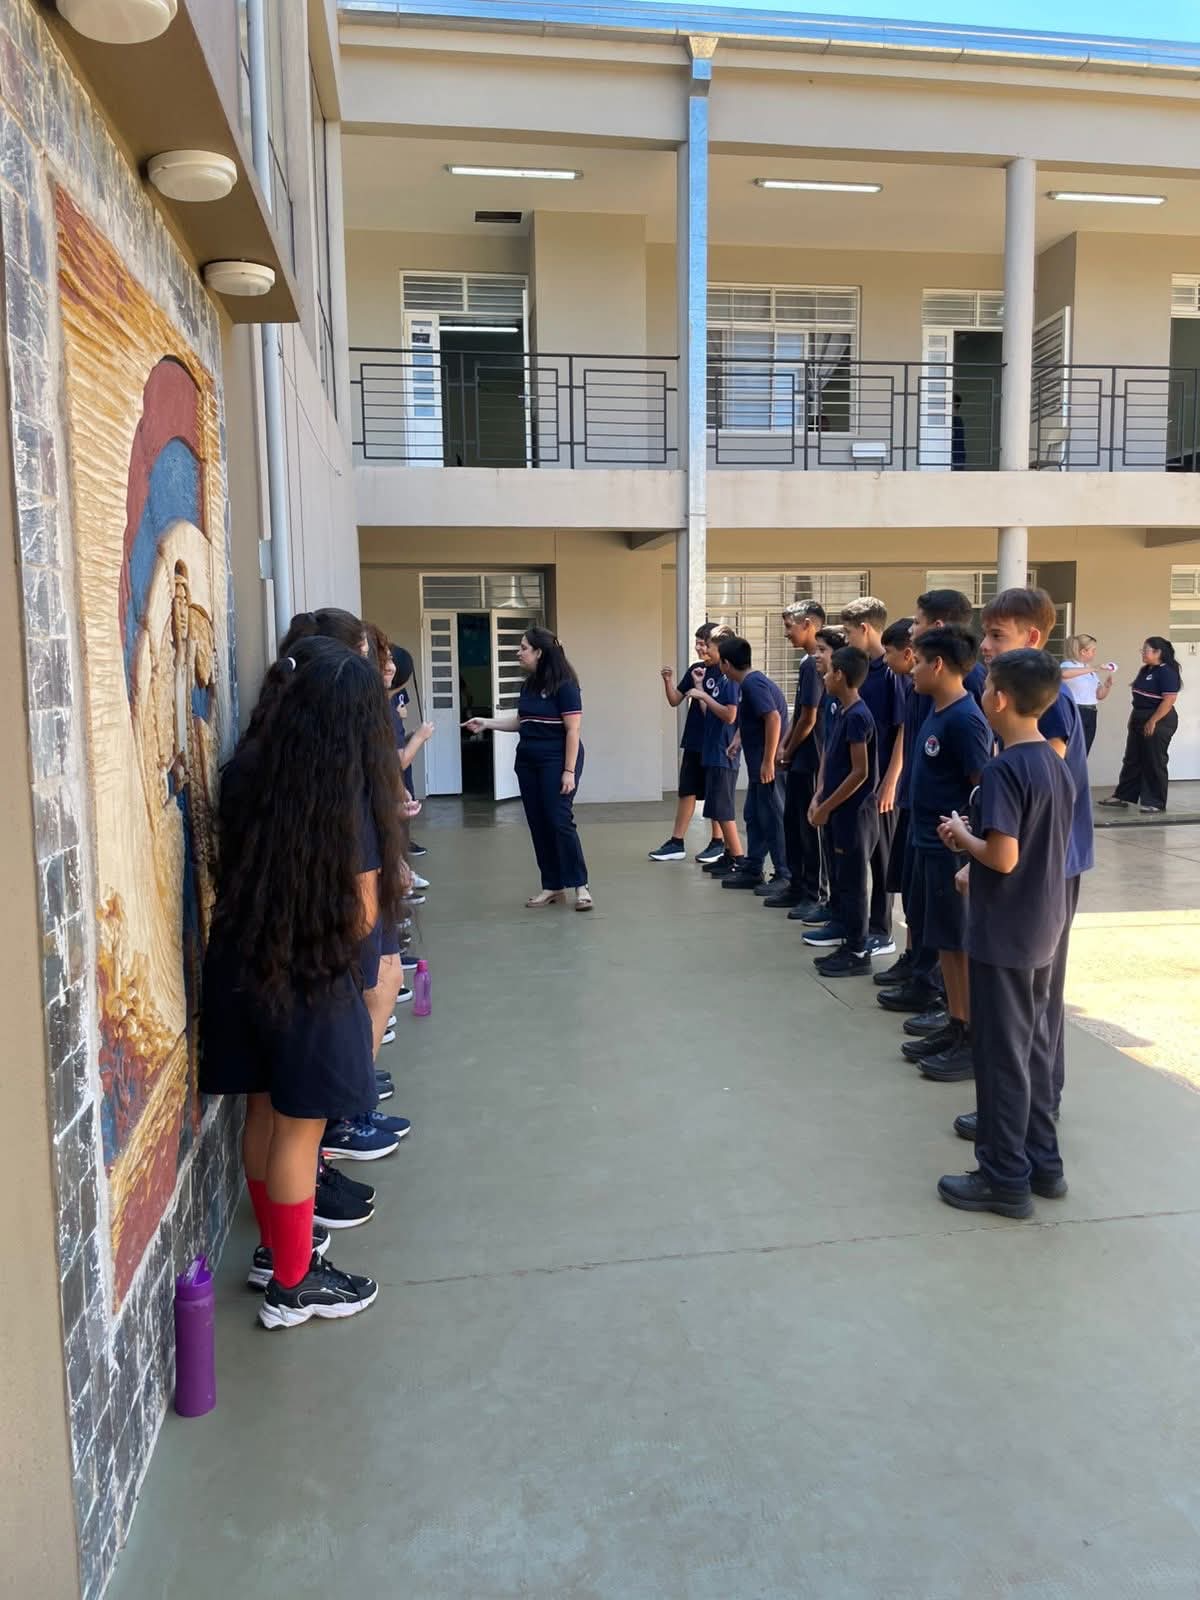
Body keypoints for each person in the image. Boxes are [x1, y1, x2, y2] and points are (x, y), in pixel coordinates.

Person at [200, 640, 407, 1327]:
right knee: (300, 1132)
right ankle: (293, 1284)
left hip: (239, 962)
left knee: (261, 1114)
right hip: (309, 977)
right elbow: (361, 916)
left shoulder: (247, 772)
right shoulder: (347, 800)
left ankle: (275, 1253)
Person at [935, 648, 1076, 1219]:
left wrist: (961, 835)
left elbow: (1004, 855)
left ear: (998, 699)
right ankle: (1043, 1165)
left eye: (987, 685)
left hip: (1005, 931)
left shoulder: (1004, 769)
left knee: (1001, 1057)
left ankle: (1003, 1177)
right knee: (1034, 1050)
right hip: (1043, 924)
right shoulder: (1055, 762)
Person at [956, 586, 1093, 1134]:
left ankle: (1035, 1109)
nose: (985, 646)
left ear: (1032, 637)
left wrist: (982, 851)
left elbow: (1038, 802)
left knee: (1035, 999)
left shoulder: (1045, 706)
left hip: (1047, 868)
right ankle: (1023, 1111)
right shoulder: (1019, 708)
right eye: (985, 634)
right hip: (1029, 862)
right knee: (1025, 1002)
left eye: (997, 635)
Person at [901, 626, 993, 1081]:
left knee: (958, 940)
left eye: (918, 662)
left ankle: (974, 1038)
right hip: (926, 843)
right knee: (943, 939)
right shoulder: (937, 711)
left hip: (950, 849)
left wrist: (971, 848)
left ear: (937, 665)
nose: (912, 670)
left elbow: (983, 788)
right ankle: (957, 1023)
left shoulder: (965, 719)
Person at [464, 627, 592, 910]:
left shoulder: (566, 685)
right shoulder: (529, 685)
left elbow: (573, 730)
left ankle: (581, 886)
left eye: (523, 648)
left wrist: (569, 771)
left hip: (557, 760)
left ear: (539, 652)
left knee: (559, 820)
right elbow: (523, 722)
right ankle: (553, 885)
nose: (518, 652)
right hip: (528, 762)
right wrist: (487, 723)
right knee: (538, 822)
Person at [802, 645, 879, 976]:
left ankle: (858, 950)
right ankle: (848, 943)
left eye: (830, 670)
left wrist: (827, 807)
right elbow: (832, 762)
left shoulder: (859, 715)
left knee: (853, 883)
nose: (824, 676)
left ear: (841, 675)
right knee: (841, 880)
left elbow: (860, 773)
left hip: (854, 815)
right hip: (837, 812)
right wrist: (819, 796)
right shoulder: (843, 711)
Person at [840, 597, 905, 956]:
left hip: (883, 783)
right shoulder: (861, 669)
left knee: (883, 858)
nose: (846, 638)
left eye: (849, 631)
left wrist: (891, 780)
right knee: (860, 853)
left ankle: (882, 928)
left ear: (865, 629)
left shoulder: (893, 673)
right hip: (862, 781)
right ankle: (858, 923)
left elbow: (902, 730)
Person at [713, 636, 789, 891]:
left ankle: (784, 874)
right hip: (759, 767)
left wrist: (768, 761)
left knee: (773, 818)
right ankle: (753, 868)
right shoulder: (749, 684)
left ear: (725, 664)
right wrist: (738, 739)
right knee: (754, 816)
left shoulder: (753, 684)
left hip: (768, 768)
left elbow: (773, 718)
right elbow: (754, 717)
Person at [649, 623, 724, 862]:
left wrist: (700, 689)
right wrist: (668, 681)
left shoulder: (725, 673)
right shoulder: (695, 669)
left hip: (715, 745)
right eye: (697, 643)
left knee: (715, 793)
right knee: (687, 791)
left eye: (704, 644)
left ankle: (718, 842)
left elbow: (713, 713)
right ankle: (676, 842)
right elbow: (675, 700)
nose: (699, 648)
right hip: (693, 741)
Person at [770, 602, 827, 914]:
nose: (786, 633)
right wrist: (784, 745)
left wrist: (788, 750)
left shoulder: (815, 664)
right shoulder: (807, 662)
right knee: (792, 822)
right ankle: (795, 885)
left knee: (808, 828)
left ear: (808, 624)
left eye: (789, 626)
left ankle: (812, 892)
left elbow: (809, 717)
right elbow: (800, 714)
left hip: (811, 758)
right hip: (799, 758)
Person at [685, 628, 745, 877]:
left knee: (723, 810)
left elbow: (730, 715)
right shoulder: (718, 680)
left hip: (723, 753)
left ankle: (739, 859)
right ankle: (728, 856)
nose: (704, 650)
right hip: (711, 751)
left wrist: (702, 695)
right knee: (716, 809)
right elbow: (708, 712)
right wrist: (700, 688)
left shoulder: (730, 681)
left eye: (708, 646)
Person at [1101, 637, 1183, 813]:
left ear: (1158, 652)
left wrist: (1153, 721)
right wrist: (1135, 718)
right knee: (1132, 758)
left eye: (1146, 650)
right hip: (1139, 716)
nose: (1143, 653)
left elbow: (1169, 700)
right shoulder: (1146, 670)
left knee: (1154, 760)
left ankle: (1155, 802)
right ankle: (1123, 796)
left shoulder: (1167, 672)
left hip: (1159, 718)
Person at [913, 589, 987, 704]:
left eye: (917, 623)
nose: (910, 629)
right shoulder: (924, 671)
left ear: (938, 627)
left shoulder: (972, 677)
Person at [1060, 633, 1113, 754]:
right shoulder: (1068, 665)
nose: (1095, 653)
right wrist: (1094, 668)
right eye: (1093, 650)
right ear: (1083, 651)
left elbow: (1099, 695)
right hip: (1075, 711)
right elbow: (1063, 674)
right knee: (1072, 751)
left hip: (1091, 712)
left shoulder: (1088, 669)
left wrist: (1107, 686)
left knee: (1084, 751)